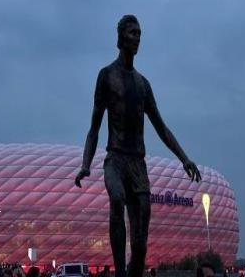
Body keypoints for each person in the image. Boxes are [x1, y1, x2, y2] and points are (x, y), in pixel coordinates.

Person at [75, 15, 201, 277]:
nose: (138, 38)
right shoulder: (106, 76)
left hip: (137, 163)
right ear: (120, 37)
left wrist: (184, 158)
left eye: (140, 33)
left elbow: (161, 127)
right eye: (133, 33)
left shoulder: (143, 85)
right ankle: (120, 272)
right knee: (117, 198)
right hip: (115, 159)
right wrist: (86, 165)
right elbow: (94, 127)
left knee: (141, 243)